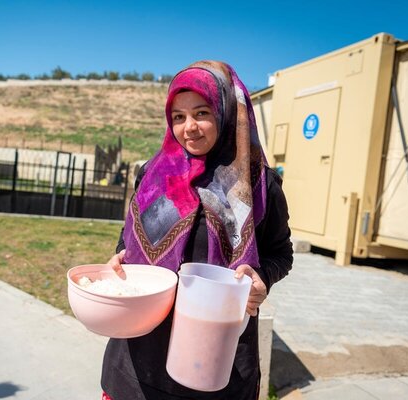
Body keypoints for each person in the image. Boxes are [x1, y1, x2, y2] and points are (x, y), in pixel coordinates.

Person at [100, 61, 293, 400]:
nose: (188, 128)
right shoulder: (153, 174)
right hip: (139, 356)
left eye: (201, 113)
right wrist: (120, 256)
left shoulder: (259, 186)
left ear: (227, 113)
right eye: (178, 116)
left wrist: (262, 276)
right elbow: (129, 234)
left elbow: (281, 251)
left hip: (215, 358)